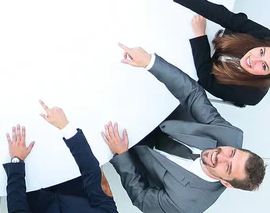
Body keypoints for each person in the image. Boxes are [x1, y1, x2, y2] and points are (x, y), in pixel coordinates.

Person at [102, 44, 266, 213]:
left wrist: (121, 155)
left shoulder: (186, 205)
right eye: (232, 152)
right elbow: (193, 95)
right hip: (150, 109)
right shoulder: (230, 135)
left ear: (226, 183)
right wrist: (150, 62)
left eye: (228, 167)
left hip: (127, 148)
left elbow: (141, 198)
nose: (221, 155)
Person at [140, 0, 270, 106]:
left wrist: (200, 36)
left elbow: (206, 79)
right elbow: (222, 15)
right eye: (261, 52)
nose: (254, 60)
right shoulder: (266, 37)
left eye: (264, 65)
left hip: (199, 60)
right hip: (224, 39)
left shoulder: (250, 95)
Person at [3, 103, 118, 213]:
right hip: (72, 177)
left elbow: (17, 207)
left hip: (34, 190)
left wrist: (16, 161)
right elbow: (93, 175)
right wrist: (67, 128)